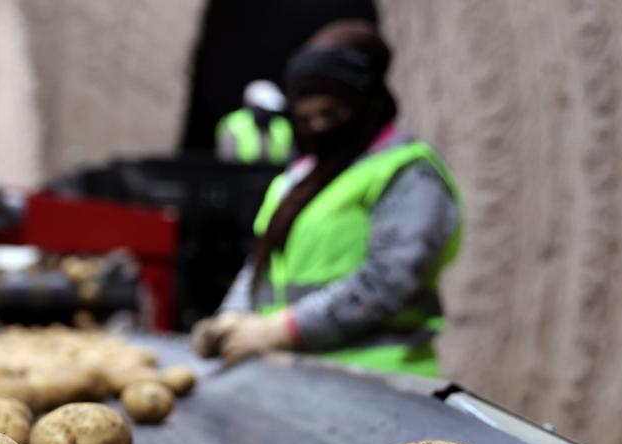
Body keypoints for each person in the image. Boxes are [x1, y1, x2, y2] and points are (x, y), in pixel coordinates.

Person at [193, 20, 462, 378]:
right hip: (300, 376)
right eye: (306, 119)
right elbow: (262, 262)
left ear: (367, 106)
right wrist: (234, 316)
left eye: (332, 114)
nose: (319, 127)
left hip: (381, 382)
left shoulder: (407, 172)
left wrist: (280, 330)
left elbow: (388, 280)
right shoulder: (297, 179)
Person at [216, 80, 293, 165]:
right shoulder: (233, 123)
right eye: (263, 109)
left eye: (270, 110)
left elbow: (289, 157)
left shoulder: (282, 125)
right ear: (251, 106)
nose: (268, 113)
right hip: (240, 175)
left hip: (274, 173)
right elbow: (226, 160)